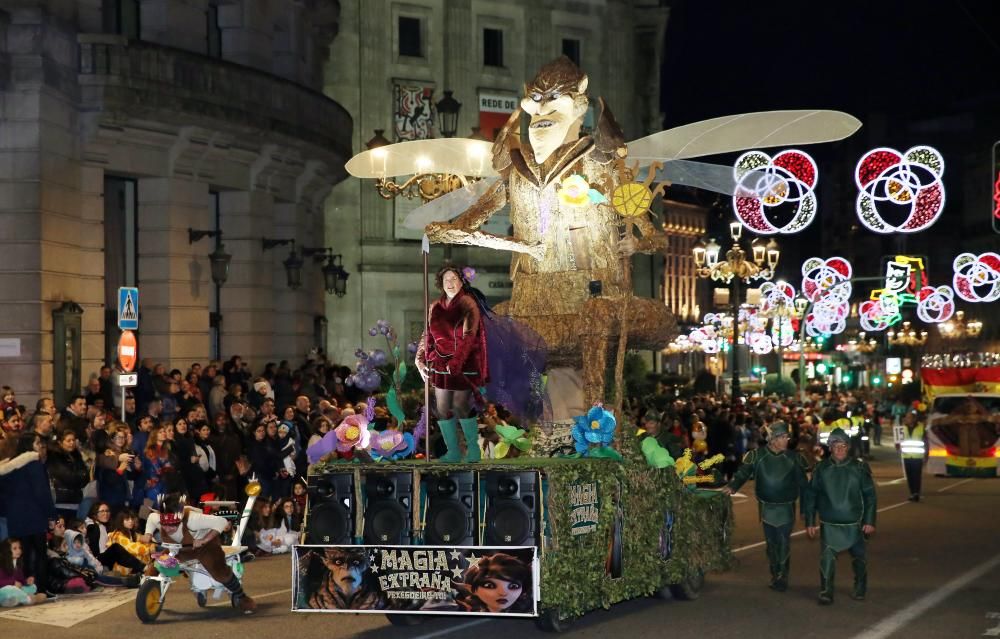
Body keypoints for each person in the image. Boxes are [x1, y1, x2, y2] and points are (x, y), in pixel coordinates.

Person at [722, 422, 809, 591]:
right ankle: (775, 573)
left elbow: (804, 486)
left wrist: (806, 510)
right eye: (783, 437)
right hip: (767, 508)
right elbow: (743, 473)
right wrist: (732, 486)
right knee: (771, 545)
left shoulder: (794, 458)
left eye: (787, 437)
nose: (786, 440)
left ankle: (782, 577)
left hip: (786, 508)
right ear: (773, 439)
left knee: (783, 542)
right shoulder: (757, 456)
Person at [415, 264, 489, 462]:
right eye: (446, 280)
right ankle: (453, 451)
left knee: (459, 404)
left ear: (461, 281)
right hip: (440, 363)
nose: (450, 283)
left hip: (463, 363)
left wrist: (456, 363)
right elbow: (428, 334)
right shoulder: (435, 307)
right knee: (441, 408)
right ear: (441, 284)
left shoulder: (467, 303)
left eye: (454, 279)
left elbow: (469, 336)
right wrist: (419, 359)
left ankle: (473, 449)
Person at [145, 492, 256, 613]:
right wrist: (148, 534)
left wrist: (204, 540)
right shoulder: (159, 517)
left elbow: (222, 521)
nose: (167, 529)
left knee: (220, 572)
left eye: (172, 526)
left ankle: (242, 597)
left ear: (180, 519)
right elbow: (151, 518)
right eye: (164, 525)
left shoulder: (193, 519)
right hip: (178, 548)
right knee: (156, 566)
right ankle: (151, 594)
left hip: (205, 547)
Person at [804, 428, 877, 605]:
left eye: (843, 445)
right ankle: (826, 591)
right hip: (829, 523)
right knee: (827, 558)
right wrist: (810, 521)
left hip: (855, 522)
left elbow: (870, 495)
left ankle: (860, 585)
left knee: (859, 558)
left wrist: (869, 520)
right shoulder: (821, 468)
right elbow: (811, 495)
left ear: (848, 447)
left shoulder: (859, 468)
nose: (840, 449)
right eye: (835, 446)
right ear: (830, 447)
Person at [897, 409, 927, 502]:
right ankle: (912, 492)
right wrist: (897, 445)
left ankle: (916, 493)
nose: (907, 419)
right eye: (906, 417)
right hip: (906, 456)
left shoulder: (921, 428)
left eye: (909, 417)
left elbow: (926, 442)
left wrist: (926, 455)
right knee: (909, 476)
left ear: (914, 419)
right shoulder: (902, 428)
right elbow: (898, 442)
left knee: (916, 476)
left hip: (917, 457)